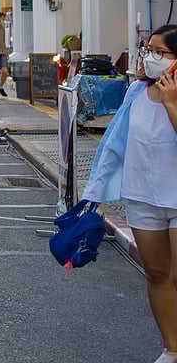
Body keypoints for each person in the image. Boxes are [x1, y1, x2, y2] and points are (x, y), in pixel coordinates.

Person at [84, 25, 177, 363]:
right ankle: (172, 348)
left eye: (160, 52)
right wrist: (96, 190)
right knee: (156, 274)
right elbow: (114, 143)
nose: (150, 57)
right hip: (142, 196)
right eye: (147, 49)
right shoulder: (136, 92)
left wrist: (170, 103)